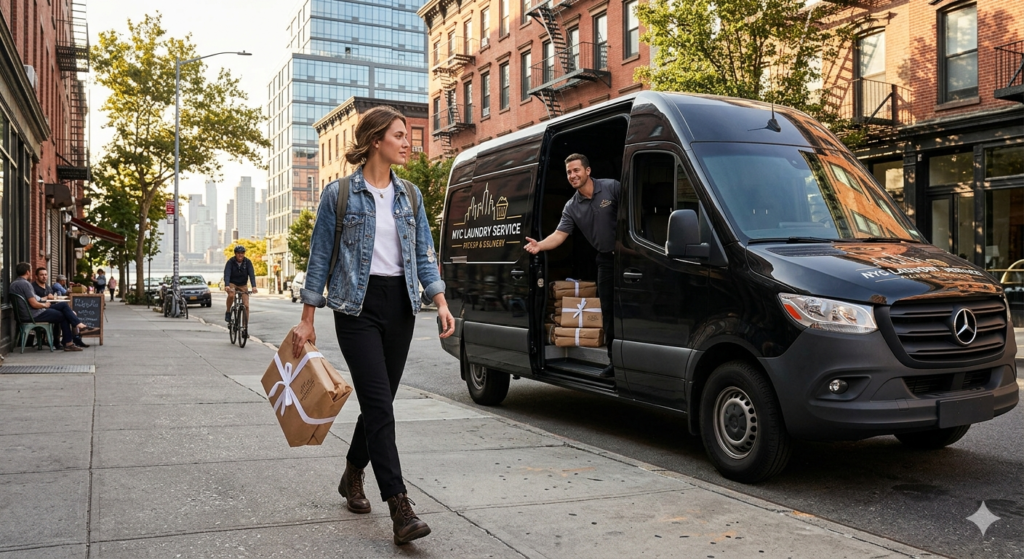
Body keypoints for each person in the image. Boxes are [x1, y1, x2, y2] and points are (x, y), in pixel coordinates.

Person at [292, 106, 455, 546]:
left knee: (378, 404)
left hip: (400, 306)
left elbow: (423, 253)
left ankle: (352, 473)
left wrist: (439, 300)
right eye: (400, 135)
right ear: (376, 140)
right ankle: (400, 507)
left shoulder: (412, 196)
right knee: (381, 406)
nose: (408, 142)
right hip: (355, 308)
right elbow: (320, 257)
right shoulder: (339, 194)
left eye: (407, 135)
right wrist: (308, 318)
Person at [524, 153, 620, 377]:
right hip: (606, 260)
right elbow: (559, 235)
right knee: (609, 311)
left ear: (588, 171)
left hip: (631, 256)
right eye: (568, 172)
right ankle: (615, 363)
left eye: (576, 170)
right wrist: (540, 246)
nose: (572, 175)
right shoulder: (571, 206)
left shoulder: (611, 188)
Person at [9, 262, 98, 351]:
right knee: (63, 315)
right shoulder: (25, 284)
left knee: (63, 305)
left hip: (26, 313)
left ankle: (75, 329)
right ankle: (70, 340)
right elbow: (34, 304)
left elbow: (35, 300)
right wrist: (44, 305)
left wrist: (44, 303)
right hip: (32, 314)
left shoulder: (14, 283)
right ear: (28, 272)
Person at [33, 268, 90, 348]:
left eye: (45, 275)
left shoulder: (48, 287)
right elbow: (34, 301)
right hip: (40, 310)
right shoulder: (33, 287)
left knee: (66, 312)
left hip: (50, 307)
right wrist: (46, 297)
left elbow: (54, 299)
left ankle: (69, 340)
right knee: (63, 311)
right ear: (36, 276)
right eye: (41, 275)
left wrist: (53, 298)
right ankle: (71, 335)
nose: (44, 277)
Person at [223, 245, 257, 323]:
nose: (240, 255)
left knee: (246, 306)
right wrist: (227, 285)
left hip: (243, 284)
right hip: (232, 283)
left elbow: (251, 274)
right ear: (235, 254)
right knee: (231, 295)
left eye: (242, 253)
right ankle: (228, 311)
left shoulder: (247, 262)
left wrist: (254, 286)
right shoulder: (230, 262)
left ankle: (245, 329)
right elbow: (227, 274)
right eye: (238, 253)